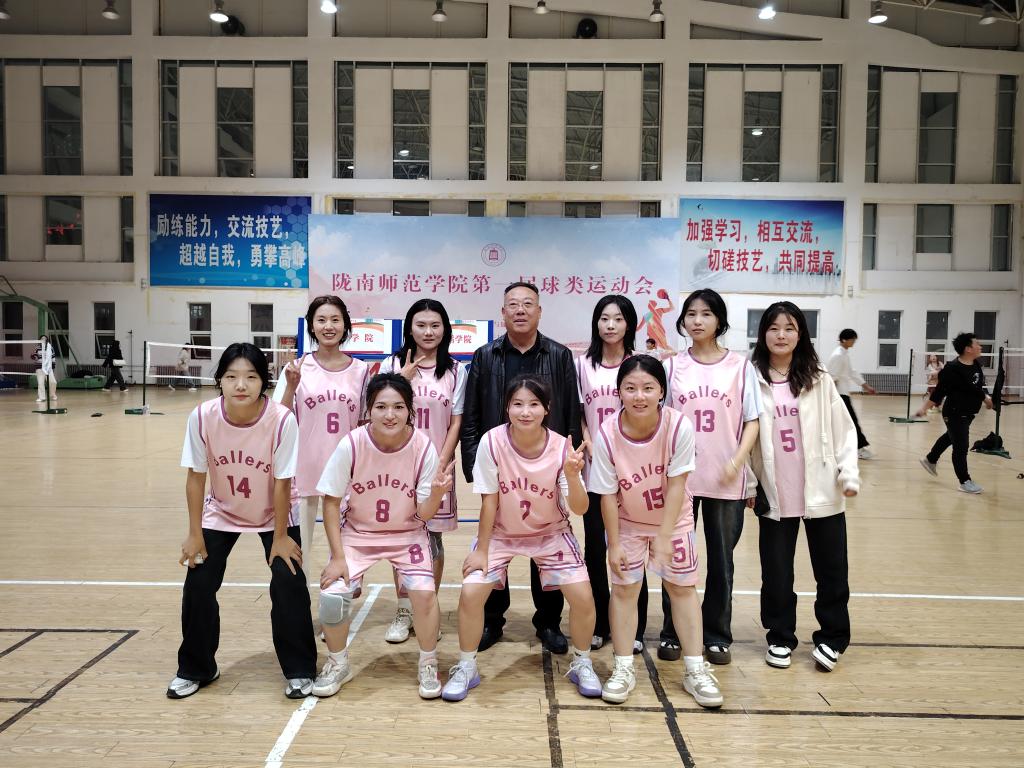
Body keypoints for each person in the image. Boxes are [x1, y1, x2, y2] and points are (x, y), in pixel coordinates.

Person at [167, 342, 317, 700]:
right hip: (221, 510)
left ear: (263, 382)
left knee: (288, 581)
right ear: (219, 380)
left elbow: (282, 482)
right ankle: (197, 667)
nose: (240, 385)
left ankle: (300, 669)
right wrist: (194, 533)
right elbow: (195, 477)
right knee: (198, 584)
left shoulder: (281, 419)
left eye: (250, 377)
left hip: (275, 512)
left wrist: (280, 537)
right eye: (231, 376)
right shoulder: (202, 416)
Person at [442, 376, 599, 702]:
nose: (525, 412)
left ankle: (582, 662)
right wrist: (482, 550)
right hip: (501, 533)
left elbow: (580, 508)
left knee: (584, 598)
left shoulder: (562, 447)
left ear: (547, 409)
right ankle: (467, 666)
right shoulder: (491, 441)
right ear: (507, 407)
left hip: (552, 533)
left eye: (533, 404)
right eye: (517, 404)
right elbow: (489, 501)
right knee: (471, 593)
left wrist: (573, 476)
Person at [590, 355, 724, 708]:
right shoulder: (607, 433)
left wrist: (665, 537)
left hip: (673, 522)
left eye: (648, 388)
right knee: (624, 591)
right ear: (619, 391)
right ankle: (623, 668)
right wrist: (613, 544)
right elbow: (607, 494)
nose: (639, 396)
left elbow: (678, 485)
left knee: (682, 590)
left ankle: (695, 670)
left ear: (661, 391)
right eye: (630, 388)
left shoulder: (678, 426)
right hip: (628, 523)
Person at [311, 373, 453, 699]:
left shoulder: (422, 446)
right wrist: (337, 557)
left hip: (408, 533)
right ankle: (338, 663)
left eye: (399, 407)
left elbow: (425, 515)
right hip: (358, 534)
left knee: (424, 594)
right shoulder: (352, 443)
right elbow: (330, 502)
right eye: (381, 407)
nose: (390, 415)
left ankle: (428, 663)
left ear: (410, 411)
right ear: (369, 410)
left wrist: (436, 494)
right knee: (332, 595)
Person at [460, 282, 582, 654]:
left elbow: (570, 413)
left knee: (547, 539)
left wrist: (567, 462)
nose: (520, 310)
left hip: (546, 465)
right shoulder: (485, 355)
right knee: (498, 536)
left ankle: (548, 622)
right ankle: (492, 621)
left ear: (539, 311)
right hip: (500, 464)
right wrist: (474, 466)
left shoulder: (559, 355)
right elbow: (471, 415)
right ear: (503, 313)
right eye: (513, 304)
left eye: (528, 304)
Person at [748, 302, 859, 673]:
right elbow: (741, 433)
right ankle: (780, 637)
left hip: (822, 488)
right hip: (774, 491)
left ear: (801, 334)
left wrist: (848, 473)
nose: (781, 335)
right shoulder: (751, 377)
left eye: (790, 328)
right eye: (774, 327)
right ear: (763, 333)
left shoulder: (818, 376)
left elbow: (843, 430)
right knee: (776, 573)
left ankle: (832, 637)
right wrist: (749, 482)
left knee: (831, 571)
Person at [661, 289, 762, 666]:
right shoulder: (673, 367)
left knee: (721, 561)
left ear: (719, 320)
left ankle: (717, 634)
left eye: (706, 314)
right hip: (681, 481)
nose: (697, 320)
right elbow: (663, 421)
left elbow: (752, 420)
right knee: (675, 558)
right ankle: (673, 632)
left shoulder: (741, 366)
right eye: (691, 314)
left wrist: (737, 459)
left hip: (725, 479)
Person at [377, 299, 467, 643]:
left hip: (437, 467)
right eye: (421, 325)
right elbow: (379, 410)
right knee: (402, 537)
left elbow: (456, 421)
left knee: (432, 539)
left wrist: (441, 461)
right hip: (396, 466)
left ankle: (426, 609)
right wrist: (401, 379)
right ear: (409, 329)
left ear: (445, 329)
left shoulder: (456, 371)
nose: (428, 332)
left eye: (435, 325)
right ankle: (404, 610)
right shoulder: (392, 364)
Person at [575, 295, 648, 654]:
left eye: (618, 319)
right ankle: (600, 624)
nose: (610, 325)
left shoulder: (639, 364)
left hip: (632, 474)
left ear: (629, 324)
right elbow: (578, 413)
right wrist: (588, 441)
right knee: (595, 550)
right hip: (594, 472)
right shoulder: (583, 365)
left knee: (631, 549)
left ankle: (634, 627)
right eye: (604, 319)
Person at [277, 295, 369, 572]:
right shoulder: (295, 368)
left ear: (345, 326)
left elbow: (365, 423)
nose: (328, 326)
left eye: (335, 320)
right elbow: (279, 420)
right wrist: (291, 387)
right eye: (321, 320)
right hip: (302, 470)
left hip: (345, 470)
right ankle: (299, 598)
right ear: (311, 326)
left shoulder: (361, 370)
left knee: (344, 548)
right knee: (298, 549)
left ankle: (338, 596)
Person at [916, 332, 993, 494]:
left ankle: (930, 459)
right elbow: (939, 392)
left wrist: (986, 398)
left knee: (951, 437)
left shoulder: (975, 364)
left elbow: (975, 387)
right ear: (968, 349)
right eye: (977, 344)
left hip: (969, 412)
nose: (980, 347)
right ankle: (964, 481)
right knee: (961, 445)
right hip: (954, 413)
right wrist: (924, 408)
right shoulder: (952, 369)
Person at [826, 329, 876, 460]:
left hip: (843, 394)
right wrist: (832, 397)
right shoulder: (838, 355)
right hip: (839, 396)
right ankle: (859, 448)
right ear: (844, 340)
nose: (854, 342)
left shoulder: (844, 354)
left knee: (847, 423)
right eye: (852, 339)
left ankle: (849, 448)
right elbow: (831, 377)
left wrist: (865, 386)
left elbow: (851, 372)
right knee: (851, 422)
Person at [34, 335, 58, 403]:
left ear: (47, 340)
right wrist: (34, 357)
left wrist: (53, 367)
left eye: (45, 338)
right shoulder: (37, 348)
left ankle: (53, 394)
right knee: (40, 383)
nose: (43, 339)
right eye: (42, 338)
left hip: (48, 368)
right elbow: (34, 355)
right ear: (40, 340)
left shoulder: (50, 348)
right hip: (39, 368)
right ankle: (42, 397)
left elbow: (53, 357)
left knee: (53, 382)